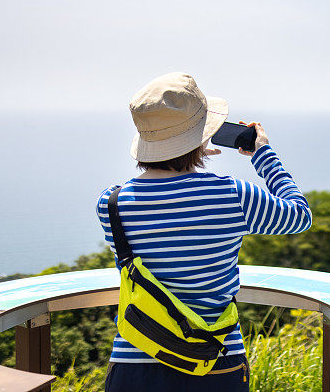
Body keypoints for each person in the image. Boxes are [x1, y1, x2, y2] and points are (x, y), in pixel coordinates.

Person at [97, 72, 313, 392]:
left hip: (136, 361)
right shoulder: (232, 195)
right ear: (203, 137)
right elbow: (300, 215)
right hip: (215, 359)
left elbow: (159, 201)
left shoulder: (112, 203)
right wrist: (263, 154)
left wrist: (184, 158)